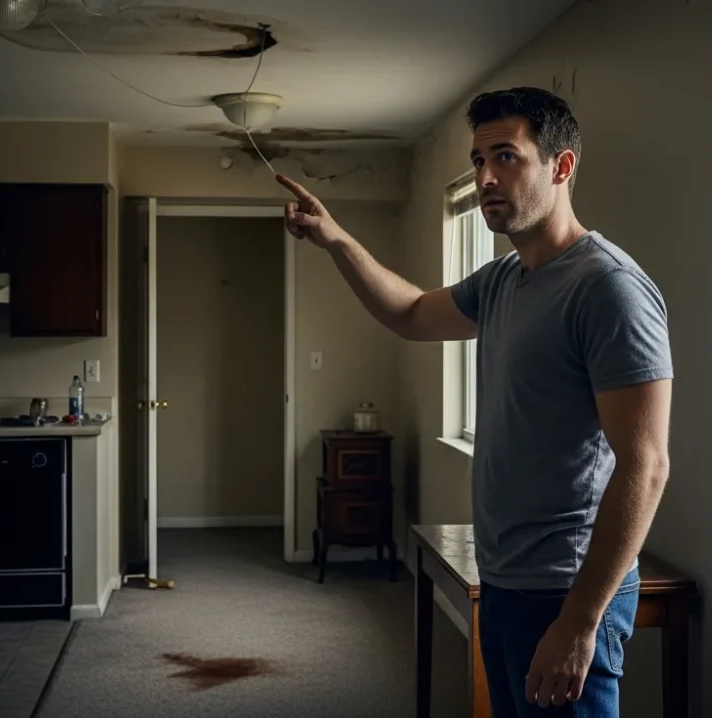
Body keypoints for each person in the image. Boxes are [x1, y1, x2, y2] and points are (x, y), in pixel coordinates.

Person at [277, 86, 673, 717]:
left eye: (506, 157)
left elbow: (646, 467)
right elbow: (408, 313)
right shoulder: (502, 280)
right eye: (478, 160)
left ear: (561, 167)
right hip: (505, 579)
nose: (485, 177)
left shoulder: (609, 289)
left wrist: (579, 620)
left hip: (567, 591)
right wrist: (335, 240)